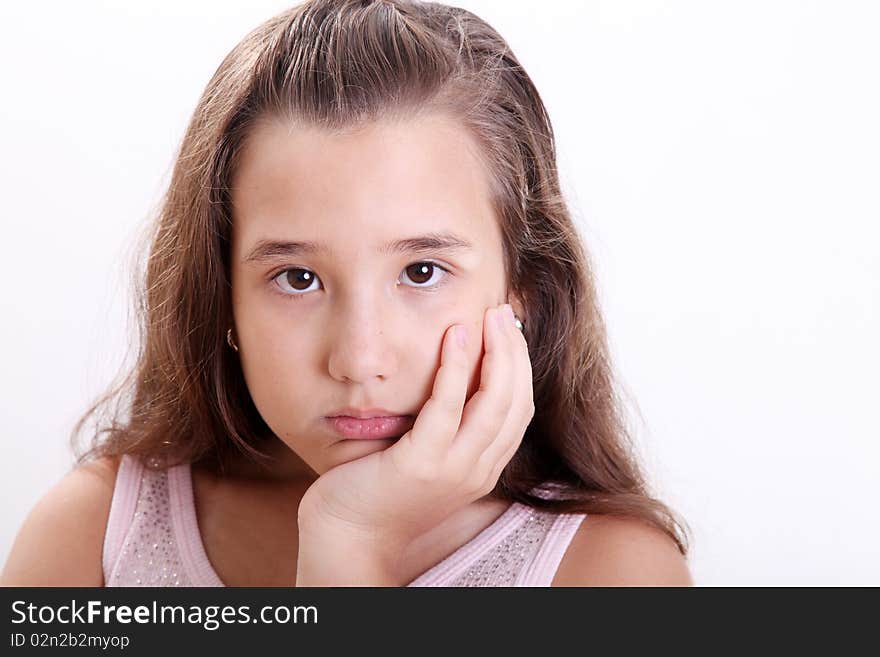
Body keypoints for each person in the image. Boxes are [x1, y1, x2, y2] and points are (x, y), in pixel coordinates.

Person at [1, 0, 693, 587]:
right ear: (224, 300)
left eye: (421, 271)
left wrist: (350, 541)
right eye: (297, 278)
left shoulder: (608, 572)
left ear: (523, 289)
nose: (359, 360)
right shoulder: (92, 543)